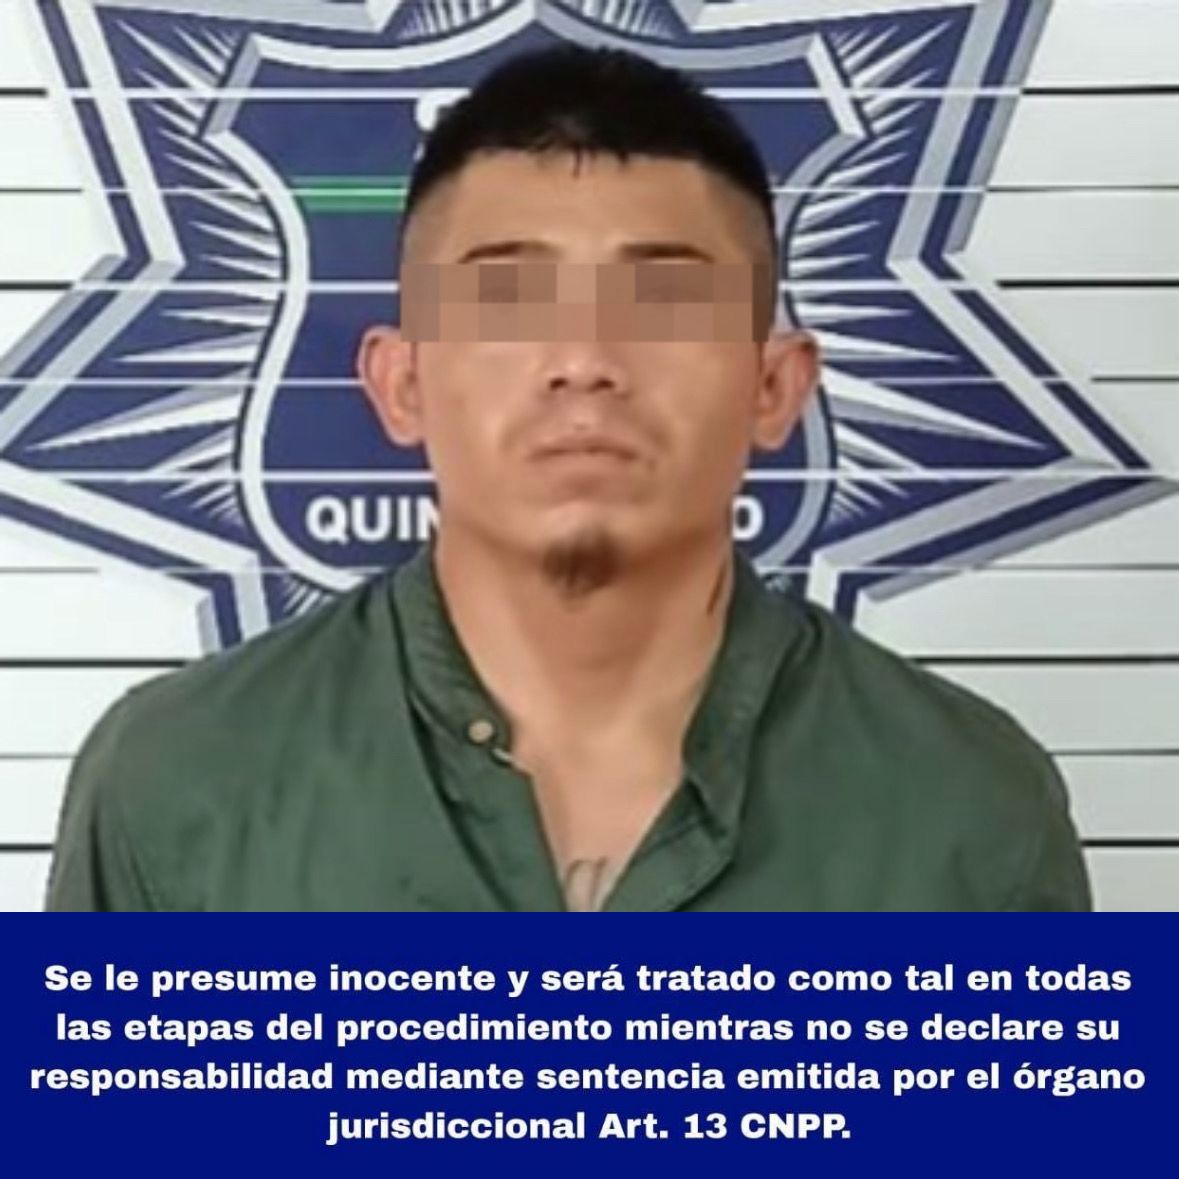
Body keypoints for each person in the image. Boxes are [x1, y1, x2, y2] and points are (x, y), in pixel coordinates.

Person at [43, 44, 1091, 912]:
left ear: (773, 386)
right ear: (401, 383)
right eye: (507, 298)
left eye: (664, 301)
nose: (585, 359)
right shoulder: (182, 783)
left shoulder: (966, 810)